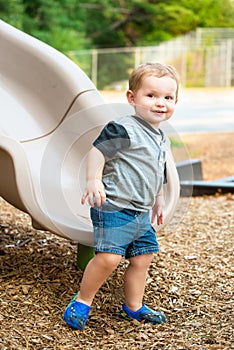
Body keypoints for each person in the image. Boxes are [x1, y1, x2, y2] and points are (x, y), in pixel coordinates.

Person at [64, 62, 179, 330]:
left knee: (142, 258)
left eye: (168, 97)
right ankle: (82, 300)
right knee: (109, 258)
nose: (160, 103)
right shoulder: (123, 128)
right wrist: (93, 180)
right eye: (151, 95)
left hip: (140, 211)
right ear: (132, 98)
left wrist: (159, 198)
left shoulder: (162, 137)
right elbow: (98, 151)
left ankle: (133, 307)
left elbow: (156, 169)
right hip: (115, 206)